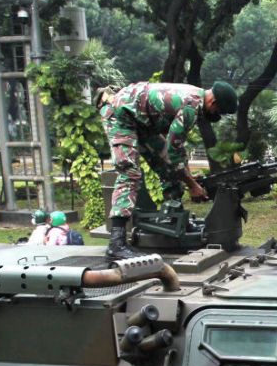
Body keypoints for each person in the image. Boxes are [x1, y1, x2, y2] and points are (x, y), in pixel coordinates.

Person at [99, 80, 238, 259]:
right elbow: (174, 152)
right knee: (130, 174)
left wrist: (187, 176)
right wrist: (192, 185)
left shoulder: (197, 98)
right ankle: (116, 244)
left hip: (143, 123)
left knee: (170, 170)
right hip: (120, 115)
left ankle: (175, 222)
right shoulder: (191, 106)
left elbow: (176, 149)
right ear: (213, 103)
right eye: (218, 111)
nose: (215, 115)